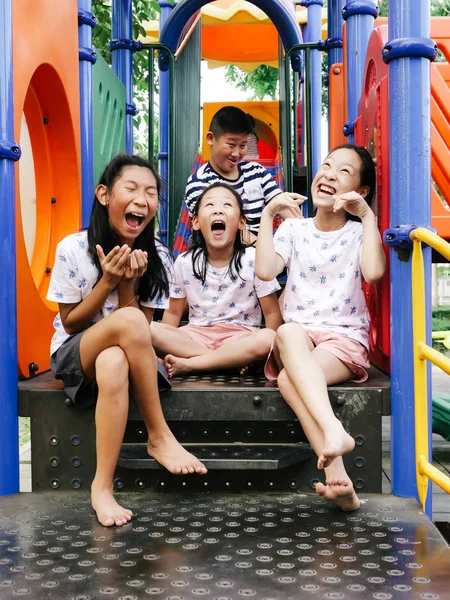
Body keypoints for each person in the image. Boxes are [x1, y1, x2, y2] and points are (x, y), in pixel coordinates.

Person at [47, 154, 207, 528]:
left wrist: (127, 283)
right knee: (121, 332)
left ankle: (101, 487)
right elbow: (71, 324)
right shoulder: (74, 248)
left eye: (151, 192)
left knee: (115, 361)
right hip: (77, 352)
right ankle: (158, 433)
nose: (143, 199)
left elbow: (140, 332)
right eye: (131, 188)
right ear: (104, 195)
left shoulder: (160, 256)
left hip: (124, 359)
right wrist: (108, 281)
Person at [255, 144, 385, 511]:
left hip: (343, 340)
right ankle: (334, 435)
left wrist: (368, 217)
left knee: (286, 380)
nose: (329, 173)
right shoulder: (294, 230)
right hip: (301, 339)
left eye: (344, 172)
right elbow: (266, 270)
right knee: (288, 331)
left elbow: (374, 273)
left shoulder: (358, 233)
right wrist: (268, 215)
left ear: (359, 193)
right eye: (327, 165)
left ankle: (337, 474)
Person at [151, 183, 282, 377]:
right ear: (195, 222)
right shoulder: (184, 262)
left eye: (227, 205)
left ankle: (194, 364)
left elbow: (272, 314)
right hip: (196, 337)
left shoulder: (254, 259)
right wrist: (164, 343)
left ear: (241, 223)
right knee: (148, 328)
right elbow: (173, 312)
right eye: (210, 205)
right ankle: (224, 361)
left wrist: (270, 355)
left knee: (268, 337)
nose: (218, 210)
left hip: (240, 337)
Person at [184, 105, 302, 239]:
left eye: (243, 145)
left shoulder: (257, 172)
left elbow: (283, 207)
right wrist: (265, 253)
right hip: (220, 256)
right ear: (211, 138)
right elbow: (224, 234)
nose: (236, 153)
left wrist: (304, 230)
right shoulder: (199, 183)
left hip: (256, 255)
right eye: (231, 144)